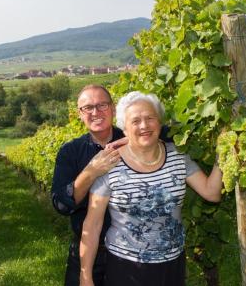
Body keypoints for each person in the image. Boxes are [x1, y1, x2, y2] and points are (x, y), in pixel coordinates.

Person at [80, 91, 223, 286]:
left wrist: (223, 153)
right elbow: (92, 225)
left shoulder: (178, 156)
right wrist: (85, 276)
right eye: (135, 121)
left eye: (150, 118)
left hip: (172, 265)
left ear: (159, 122)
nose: (144, 126)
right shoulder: (110, 165)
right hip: (126, 268)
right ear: (124, 128)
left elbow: (212, 193)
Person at [52, 84, 162, 285]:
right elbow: (61, 205)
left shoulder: (136, 135)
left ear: (112, 108)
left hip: (130, 255)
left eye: (102, 105)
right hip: (87, 254)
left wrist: (131, 139)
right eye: (88, 108)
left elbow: (165, 132)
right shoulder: (70, 152)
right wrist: (91, 171)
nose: (96, 112)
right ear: (80, 114)